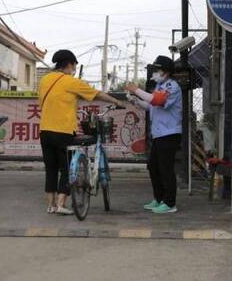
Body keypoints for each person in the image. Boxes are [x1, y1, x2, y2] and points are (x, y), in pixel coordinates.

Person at [39, 49, 125, 215]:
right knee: (65, 168)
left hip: (45, 131)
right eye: (74, 66)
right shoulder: (70, 81)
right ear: (70, 64)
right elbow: (96, 94)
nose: (74, 69)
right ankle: (61, 204)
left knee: (50, 169)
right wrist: (116, 101)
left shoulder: (45, 80)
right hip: (62, 131)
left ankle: (50, 206)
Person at [126, 56, 182, 214]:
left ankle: (170, 203)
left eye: (158, 70)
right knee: (153, 167)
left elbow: (157, 101)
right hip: (159, 134)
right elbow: (152, 106)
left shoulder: (172, 86)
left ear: (166, 72)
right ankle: (159, 199)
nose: (155, 72)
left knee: (165, 168)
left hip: (169, 133)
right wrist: (135, 101)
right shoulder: (160, 85)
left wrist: (136, 90)